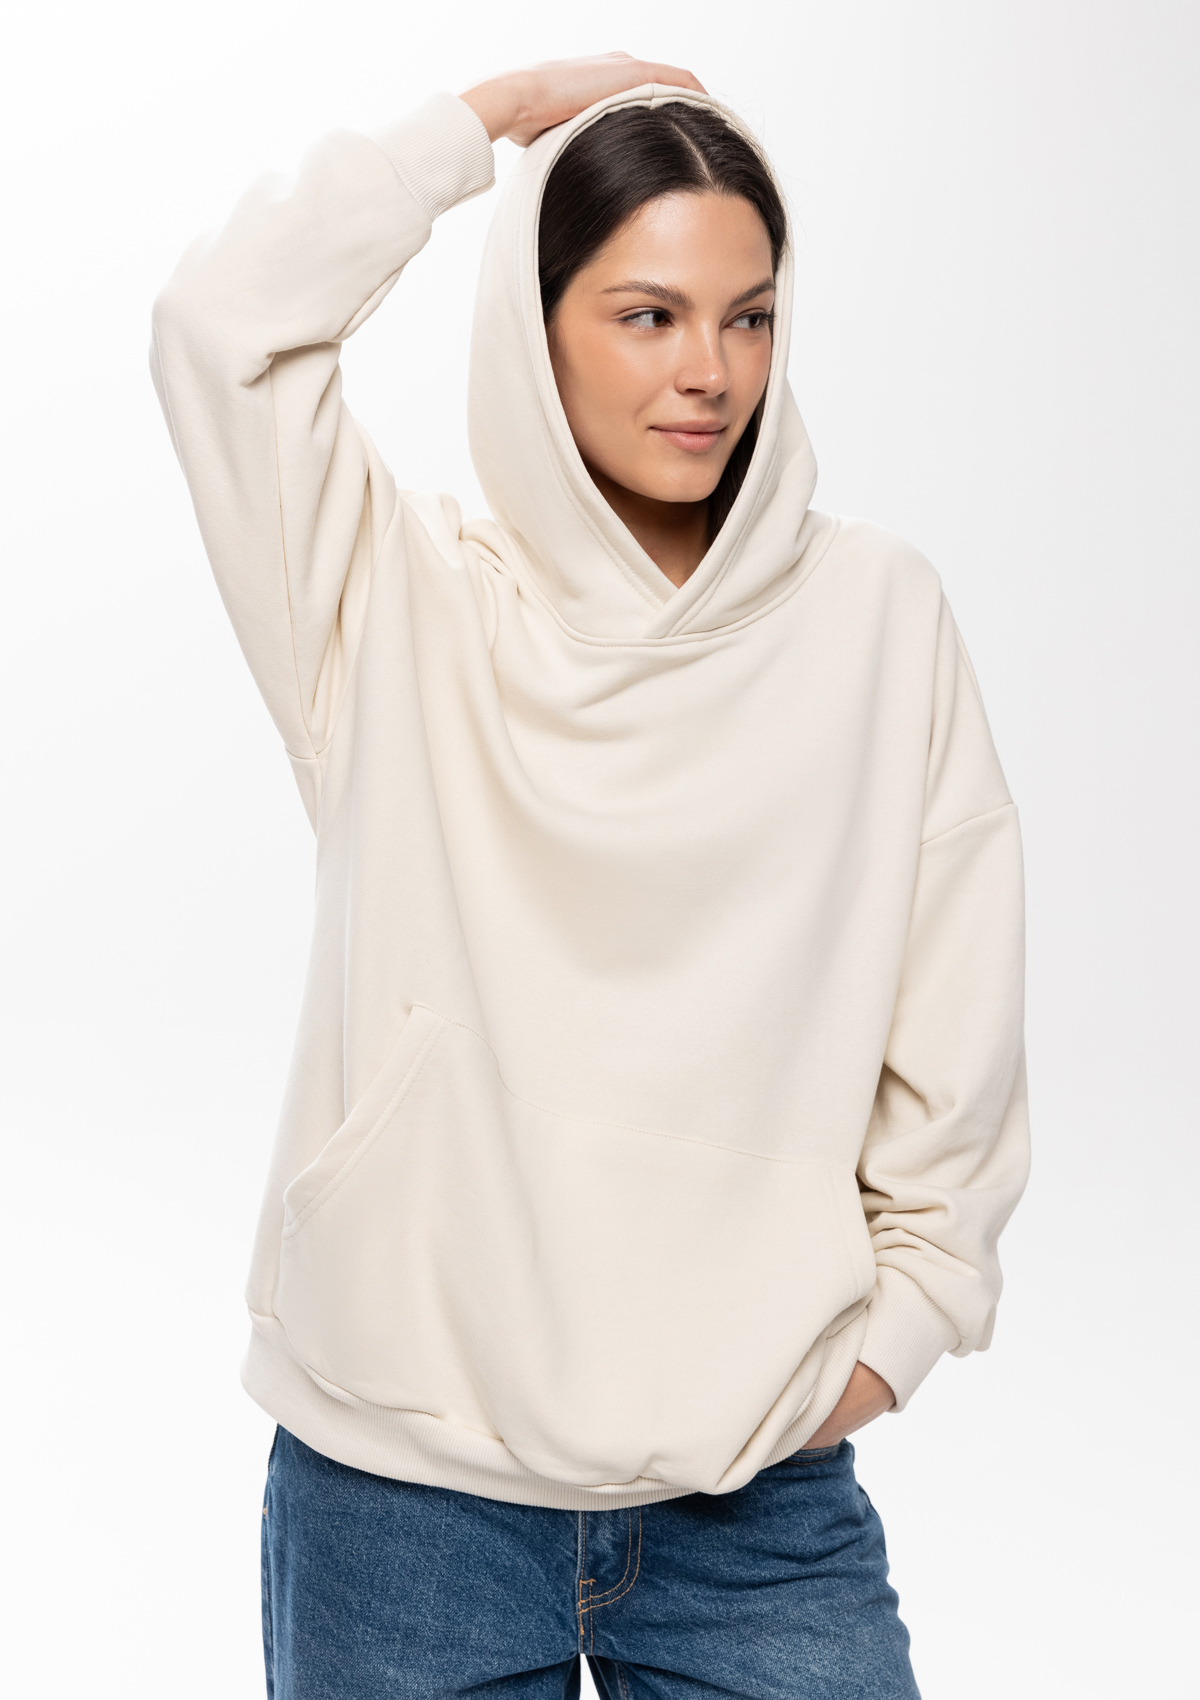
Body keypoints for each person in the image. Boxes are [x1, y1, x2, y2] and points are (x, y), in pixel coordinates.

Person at [150, 51, 1030, 1700]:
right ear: (533, 323)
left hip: (753, 1497)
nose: (709, 371)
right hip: (400, 1495)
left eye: (748, 317)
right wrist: (481, 127)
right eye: (646, 314)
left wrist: (900, 1332)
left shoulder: (877, 620)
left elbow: (957, 1029)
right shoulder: (396, 602)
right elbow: (219, 327)